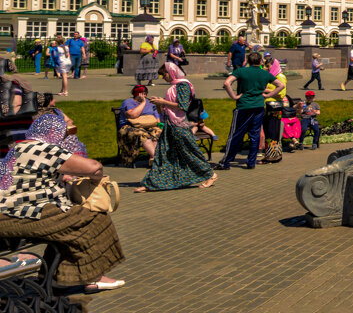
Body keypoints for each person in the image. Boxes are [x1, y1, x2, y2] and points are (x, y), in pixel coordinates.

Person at [0, 111, 125, 291]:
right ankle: (92, 277)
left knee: (64, 226)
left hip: (7, 214)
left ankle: (56, 277)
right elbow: (94, 167)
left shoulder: (18, 148)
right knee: (92, 218)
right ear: (53, 132)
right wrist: (95, 179)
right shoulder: (45, 149)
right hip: (27, 213)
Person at [137, 63, 217, 192]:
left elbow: (182, 106)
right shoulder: (174, 87)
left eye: (164, 74)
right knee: (163, 155)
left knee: (190, 152)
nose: (163, 77)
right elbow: (164, 110)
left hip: (180, 125)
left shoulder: (183, 85)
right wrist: (159, 103)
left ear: (172, 72)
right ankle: (152, 183)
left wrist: (163, 102)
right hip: (170, 125)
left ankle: (210, 175)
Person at [215, 51, 273, 170]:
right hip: (258, 106)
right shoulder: (265, 73)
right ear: (261, 61)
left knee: (236, 134)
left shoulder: (241, 71)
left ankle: (225, 162)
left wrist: (234, 96)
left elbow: (227, 83)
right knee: (255, 134)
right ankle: (251, 162)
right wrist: (269, 95)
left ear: (248, 61)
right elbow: (280, 85)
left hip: (243, 106)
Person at [116, 84, 160, 166]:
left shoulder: (150, 102)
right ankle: (157, 158)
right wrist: (143, 102)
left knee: (158, 132)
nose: (144, 95)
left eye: (145, 93)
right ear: (136, 94)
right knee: (142, 134)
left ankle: (153, 158)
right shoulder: (128, 102)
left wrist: (159, 104)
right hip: (128, 127)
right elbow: (132, 115)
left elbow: (157, 120)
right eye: (141, 93)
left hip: (148, 126)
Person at [260, 58, 288, 163]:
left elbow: (282, 93)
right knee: (269, 131)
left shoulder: (280, 76)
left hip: (274, 108)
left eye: (268, 66)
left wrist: (266, 91)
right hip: (268, 107)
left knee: (273, 131)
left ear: (274, 65)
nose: (265, 68)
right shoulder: (271, 76)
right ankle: (273, 155)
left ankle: (272, 156)